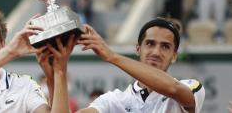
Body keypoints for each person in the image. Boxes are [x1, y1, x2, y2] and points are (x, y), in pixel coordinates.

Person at [76, 17, 205, 112]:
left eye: (165, 46)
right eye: (150, 44)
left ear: (174, 56)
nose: (156, 52)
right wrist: (59, 70)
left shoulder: (192, 87)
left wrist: (112, 56)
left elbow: (173, 88)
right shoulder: (113, 101)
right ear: (138, 49)